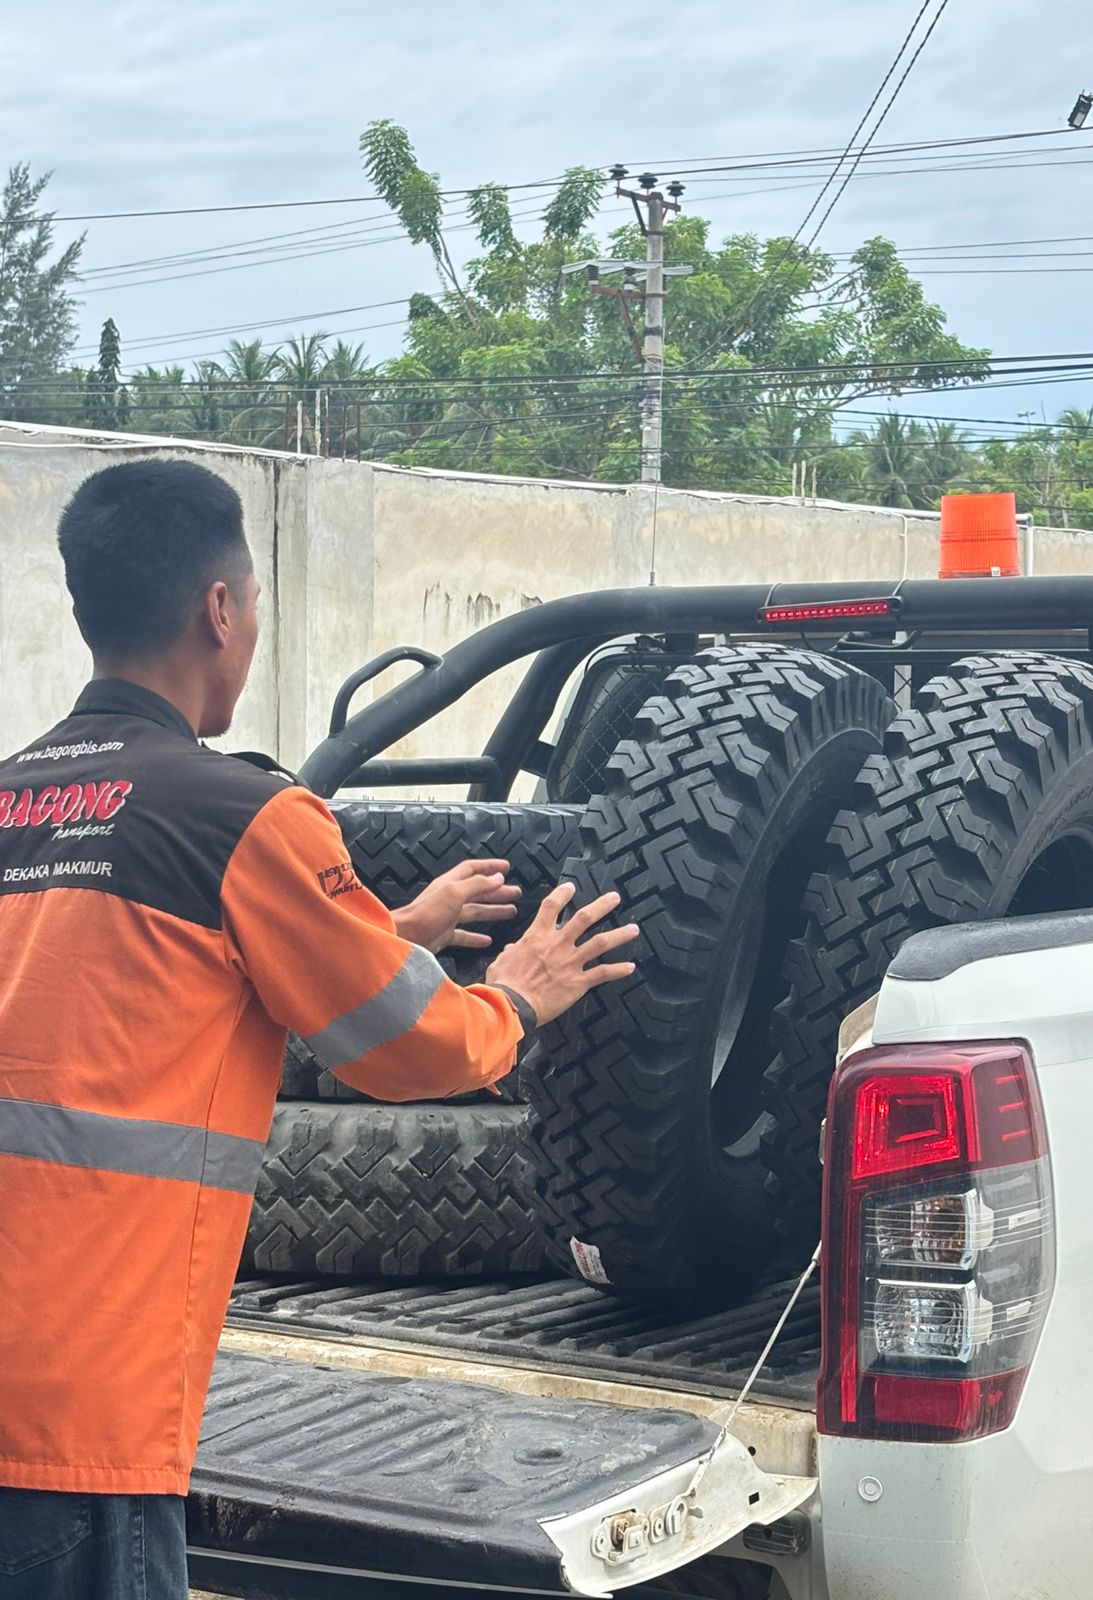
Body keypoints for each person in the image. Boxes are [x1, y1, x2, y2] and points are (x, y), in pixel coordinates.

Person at [0, 459, 637, 1599]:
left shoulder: (16, 800)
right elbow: (412, 1047)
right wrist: (525, 992)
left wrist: (391, 924)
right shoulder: (243, 816)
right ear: (221, 610)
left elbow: (149, 984)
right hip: (78, 1410)